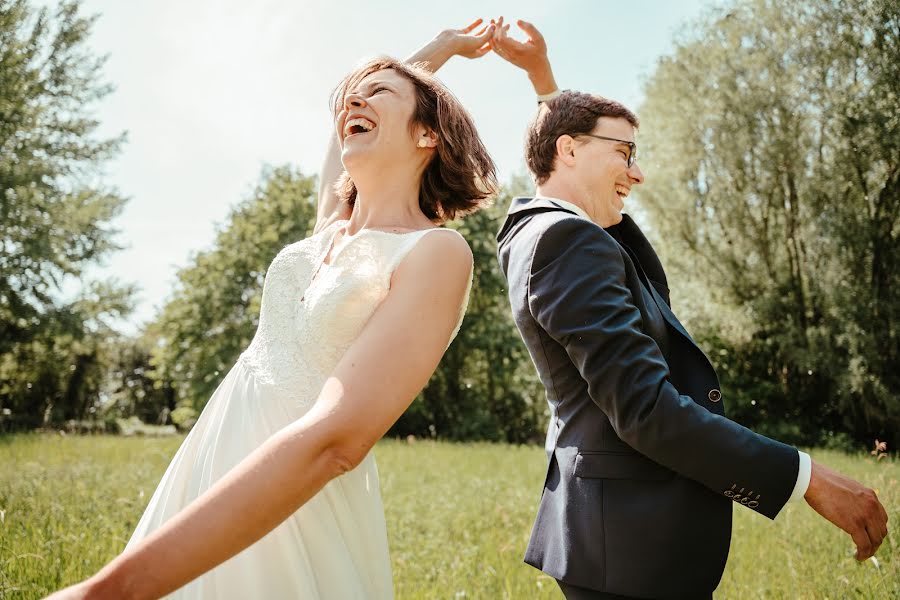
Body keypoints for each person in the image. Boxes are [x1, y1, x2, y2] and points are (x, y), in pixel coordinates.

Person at [46, 21, 498, 600]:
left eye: (381, 93)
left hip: (299, 493)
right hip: (215, 461)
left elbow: (339, 439)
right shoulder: (327, 231)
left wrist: (110, 589)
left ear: (427, 135)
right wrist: (439, 48)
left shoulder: (436, 252)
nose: (356, 100)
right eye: (354, 96)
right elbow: (340, 137)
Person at [491, 18, 889, 600]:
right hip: (627, 552)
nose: (637, 171)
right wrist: (806, 477)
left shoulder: (557, 230)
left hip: (616, 541)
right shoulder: (567, 241)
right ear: (570, 151)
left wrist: (543, 82)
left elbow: (565, 156)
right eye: (625, 151)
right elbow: (646, 408)